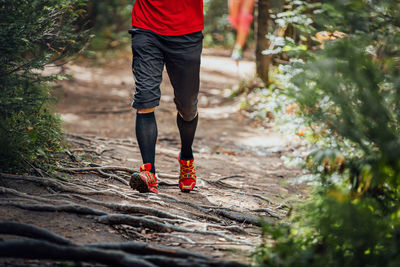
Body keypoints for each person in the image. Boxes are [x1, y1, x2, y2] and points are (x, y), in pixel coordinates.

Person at [128, 1, 204, 194]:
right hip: (146, 27)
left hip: (187, 31)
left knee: (187, 106)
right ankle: (148, 173)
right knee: (145, 96)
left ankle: (186, 157)